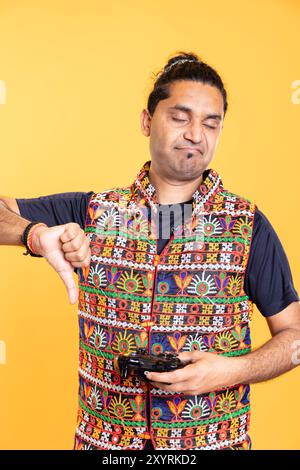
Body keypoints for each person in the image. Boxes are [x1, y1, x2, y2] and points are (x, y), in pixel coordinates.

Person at [1, 51, 300, 451]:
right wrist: (33, 235)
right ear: (147, 121)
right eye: (181, 117)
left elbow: (295, 338)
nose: (196, 133)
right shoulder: (92, 211)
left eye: (211, 123)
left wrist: (232, 371)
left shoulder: (248, 224)